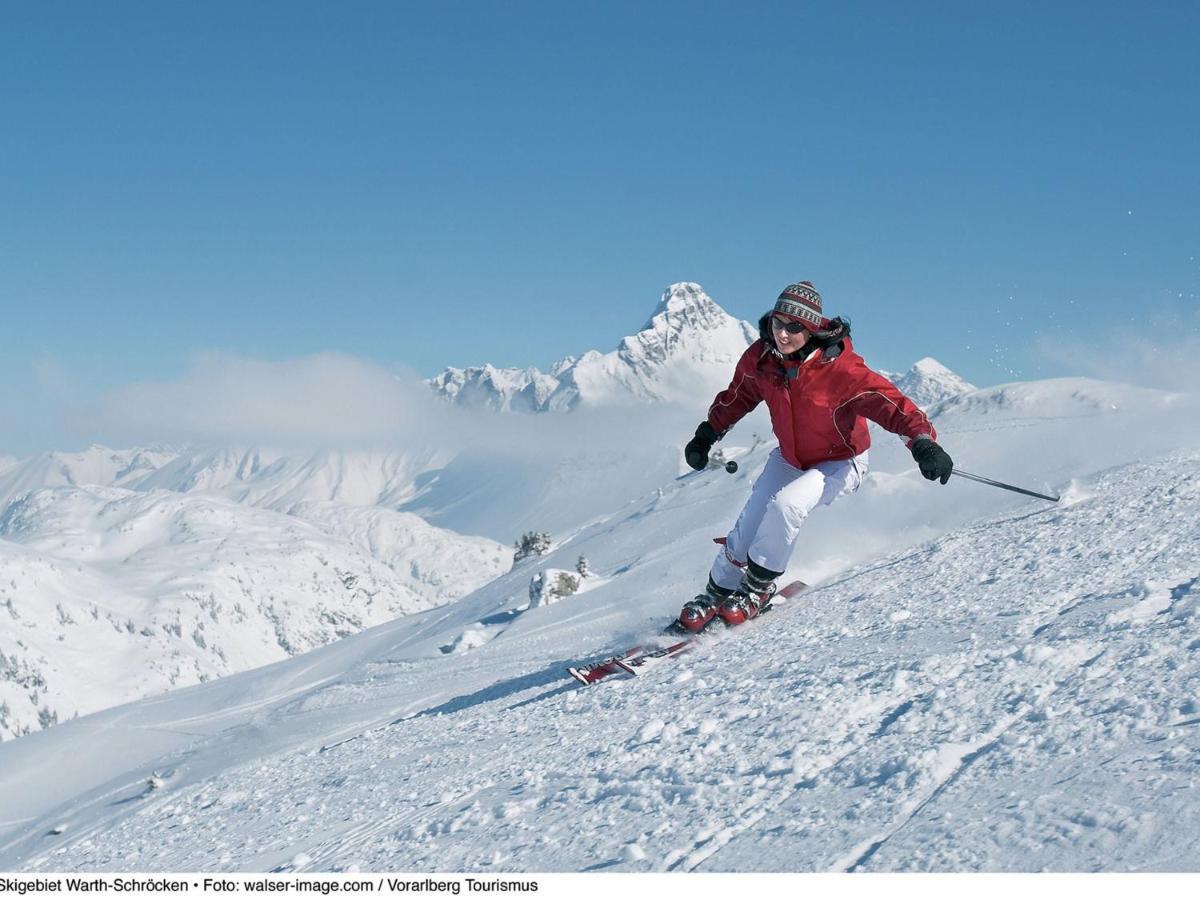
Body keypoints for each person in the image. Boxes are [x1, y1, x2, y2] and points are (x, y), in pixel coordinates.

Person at [677, 280, 954, 632]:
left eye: (796, 328)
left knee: (787, 505)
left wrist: (923, 443)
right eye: (779, 322)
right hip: (791, 458)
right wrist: (706, 436)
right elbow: (737, 397)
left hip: (842, 460)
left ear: (811, 329)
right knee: (749, 523)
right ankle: (718, 590)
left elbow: (894, 406)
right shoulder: (761, 358)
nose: (784, 333)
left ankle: (758, 586)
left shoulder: (842, 371)